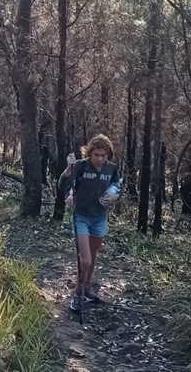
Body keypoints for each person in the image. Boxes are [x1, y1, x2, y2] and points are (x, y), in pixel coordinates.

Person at [59, 134, 122, 312]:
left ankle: (86, 289)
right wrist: (68, 195)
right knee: (85, 259)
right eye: (96, 155)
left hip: (99, 218)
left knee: (92, 257)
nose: (100, 159)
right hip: (81, 217)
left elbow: (118, 185)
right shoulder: (79, 166)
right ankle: (78, 293)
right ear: (89, 153)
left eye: (104, 155)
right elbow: (63, 183)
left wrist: (113, 197)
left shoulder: (112, 169)